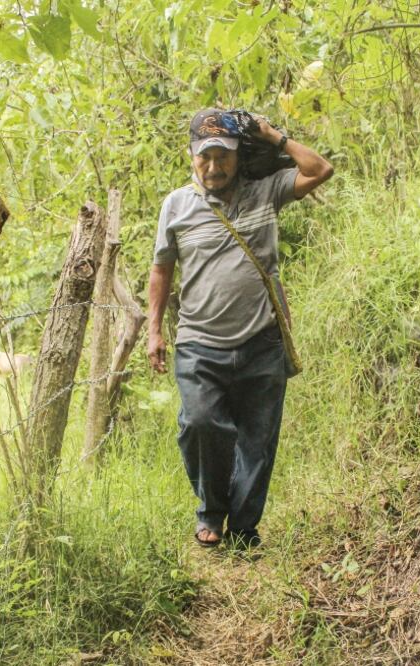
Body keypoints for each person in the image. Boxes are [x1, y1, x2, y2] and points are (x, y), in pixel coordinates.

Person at [148, 108, 334, 549]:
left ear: (237, 156)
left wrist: (274, 137)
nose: (214, 167)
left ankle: (244, 529)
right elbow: (161, 269)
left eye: (223, 157)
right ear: (191, 156)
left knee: (258, 439)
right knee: (199, 423)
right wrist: (154, 330)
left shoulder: (265, 191)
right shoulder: (176, 205)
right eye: (204, 157)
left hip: (262, 338)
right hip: (198, 342)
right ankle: (211, 509)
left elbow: (320, 169)